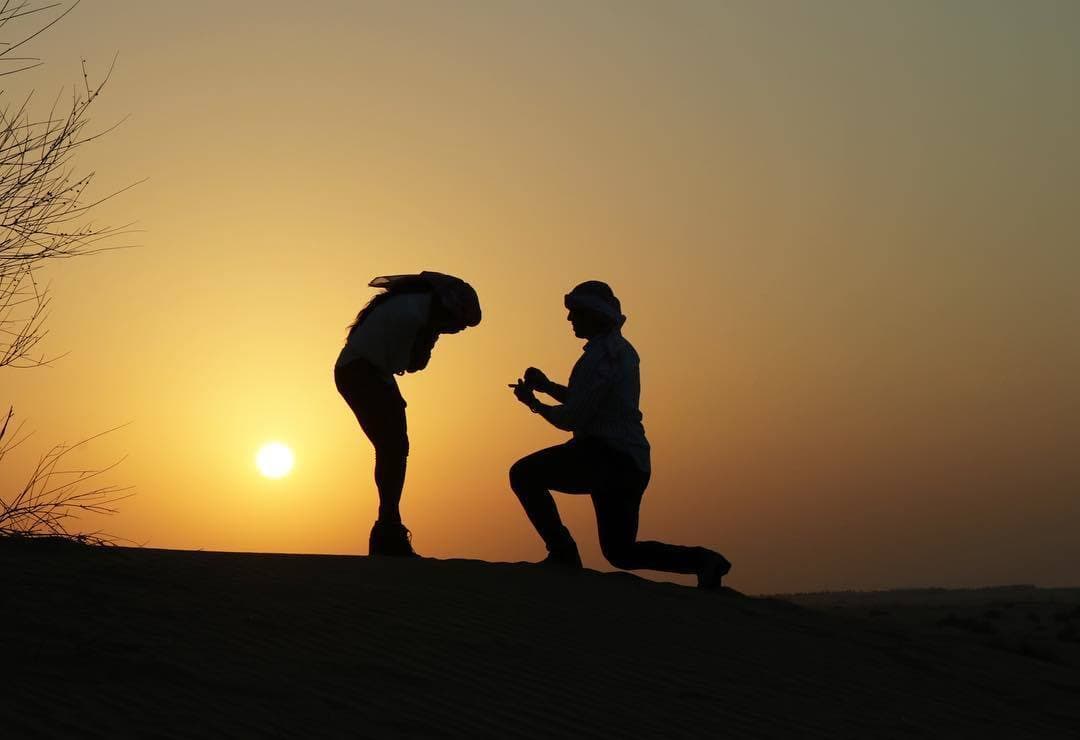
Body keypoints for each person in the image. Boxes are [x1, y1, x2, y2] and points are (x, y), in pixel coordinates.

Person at [509, 280, 731, 588]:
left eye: (577, 313)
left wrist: (534, 403)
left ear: (595, 314)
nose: (570, 319)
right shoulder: (615, 352)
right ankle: (703, 561)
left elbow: (574, 416)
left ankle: (562, 553)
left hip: (607, 458)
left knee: (523, 474)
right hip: (628, 463)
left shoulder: (605, 356)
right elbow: (591, 403)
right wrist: (547, 387)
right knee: (620, 552)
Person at [336, 271, 480, 557]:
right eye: (456, 324)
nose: (455, 330)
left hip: (371, 373)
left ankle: (388, 526)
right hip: (361, 373)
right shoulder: (412, 317)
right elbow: (412, 364)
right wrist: (428, 339)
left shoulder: (414, 309)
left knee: (394, 448)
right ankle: (387, 531)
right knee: (393, 447)